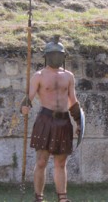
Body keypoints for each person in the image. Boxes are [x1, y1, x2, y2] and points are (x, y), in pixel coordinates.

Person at [21, 37, 83, 202]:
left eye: (58, 54)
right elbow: (28, 97)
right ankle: (38, 197)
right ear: (47, 56)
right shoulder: (38, 76)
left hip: (63, 121)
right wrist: (24, 107)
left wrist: (78, 122)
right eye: (53, 54)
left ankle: (62, 198)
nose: (55, 57)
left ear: (63, 56)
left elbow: (73, 101)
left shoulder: (68, 76)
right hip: (46, 120)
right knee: (41, 161)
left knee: (61, 163)